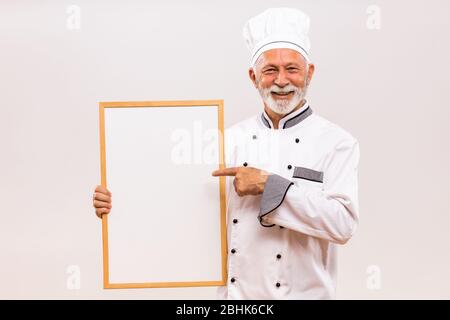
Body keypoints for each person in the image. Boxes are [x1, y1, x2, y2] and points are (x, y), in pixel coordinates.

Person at [93, 7, 360, 299]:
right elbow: (182, 205)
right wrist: (122, 206)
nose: (281, 80)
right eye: (270, 70)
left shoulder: (337, 143)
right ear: (253, 76)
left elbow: (343, 225)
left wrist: (270, 186)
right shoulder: (227, 140)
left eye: (292, 69)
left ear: (309, 72)